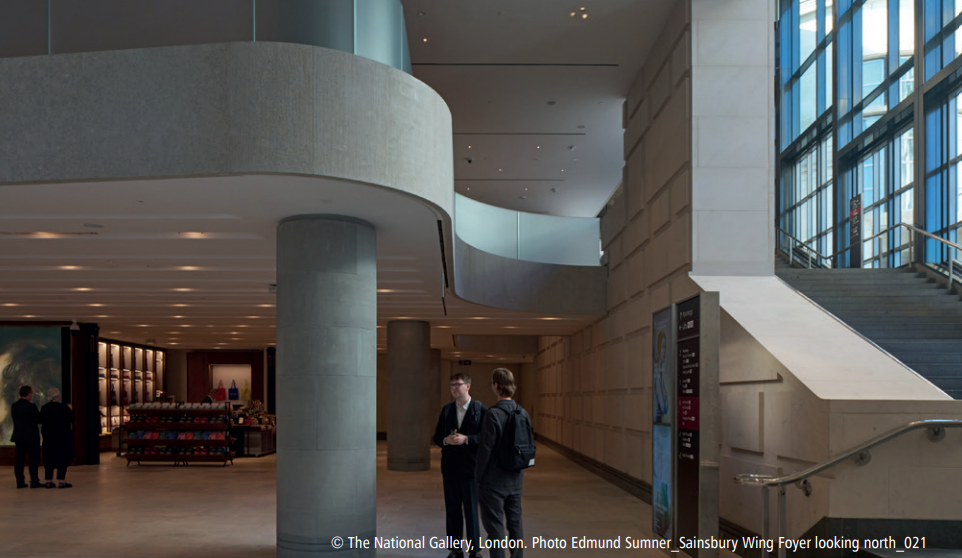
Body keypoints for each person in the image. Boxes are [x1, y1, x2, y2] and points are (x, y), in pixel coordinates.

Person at [476, 368, 529, 558]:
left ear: (496, 386)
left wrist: (478, 477)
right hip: (515, 478)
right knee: (515, 524)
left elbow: (485, 450)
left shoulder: (493, 414)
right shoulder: (523, 412)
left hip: (494, 481)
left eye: (492, 383)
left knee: (495, 526)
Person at [433, 373, 487, 558]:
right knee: (453, 509)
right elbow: (436, 437)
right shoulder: (447, 410)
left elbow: (486, 439)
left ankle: (474, 551)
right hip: (450, 468)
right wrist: (446, 440)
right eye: (451, 385)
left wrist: (467, 439)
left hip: (471, 469)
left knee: (471, 510)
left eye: (458, 384)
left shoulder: (480, 410)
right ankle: (455, 549)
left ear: (468, 386)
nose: (454, 388)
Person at [40, 387, 75, 489]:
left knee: (49, 459)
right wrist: (70, 409)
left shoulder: (44, 408)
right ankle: (61, 481)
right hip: (61, 438)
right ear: (58, 396)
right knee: (62, 459)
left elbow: (40, 420)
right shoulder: (63, 408)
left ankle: (48, 481)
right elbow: (72, 419)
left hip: (48, 438)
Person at [10, 385, 42, 489]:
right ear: (28, 394)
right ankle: (34, 481)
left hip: (18, 436)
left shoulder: (14, 406)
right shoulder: (31, 406)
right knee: (33, 459)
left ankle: (20, 482)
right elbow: (38, 419)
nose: (32, 395)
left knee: (19, 459)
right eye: (31, 393)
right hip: (31, 436)